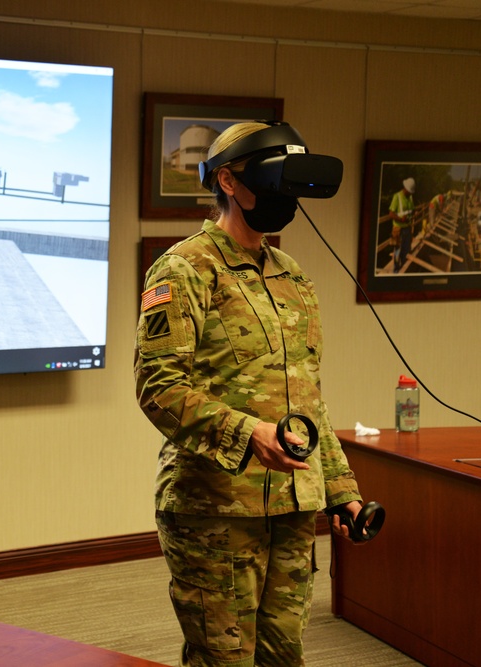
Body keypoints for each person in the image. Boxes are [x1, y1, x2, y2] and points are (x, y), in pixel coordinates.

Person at [134, 121, 365, 667]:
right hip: (215, 508)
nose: (284, 200)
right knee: (224, 659)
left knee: (283, 656)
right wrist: (247, 432)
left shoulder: (292, 276)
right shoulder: (186, 268)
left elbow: (308, 397)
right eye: (274, 183)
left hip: (292, 505)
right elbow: (159, 388)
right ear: (228, 183)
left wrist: (341, 488)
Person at [388, 177, 415, 271]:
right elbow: (391, 214)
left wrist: (410, 217)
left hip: (407, 228)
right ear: (406, 189)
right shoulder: (397, 196)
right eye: (410, 191)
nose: (410, 193)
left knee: (406, 250)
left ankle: (404, 268)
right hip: (399, 229)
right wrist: (400, 219)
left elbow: (412, 211)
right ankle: (395, 271)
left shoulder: (410, 198)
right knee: (397, 251)